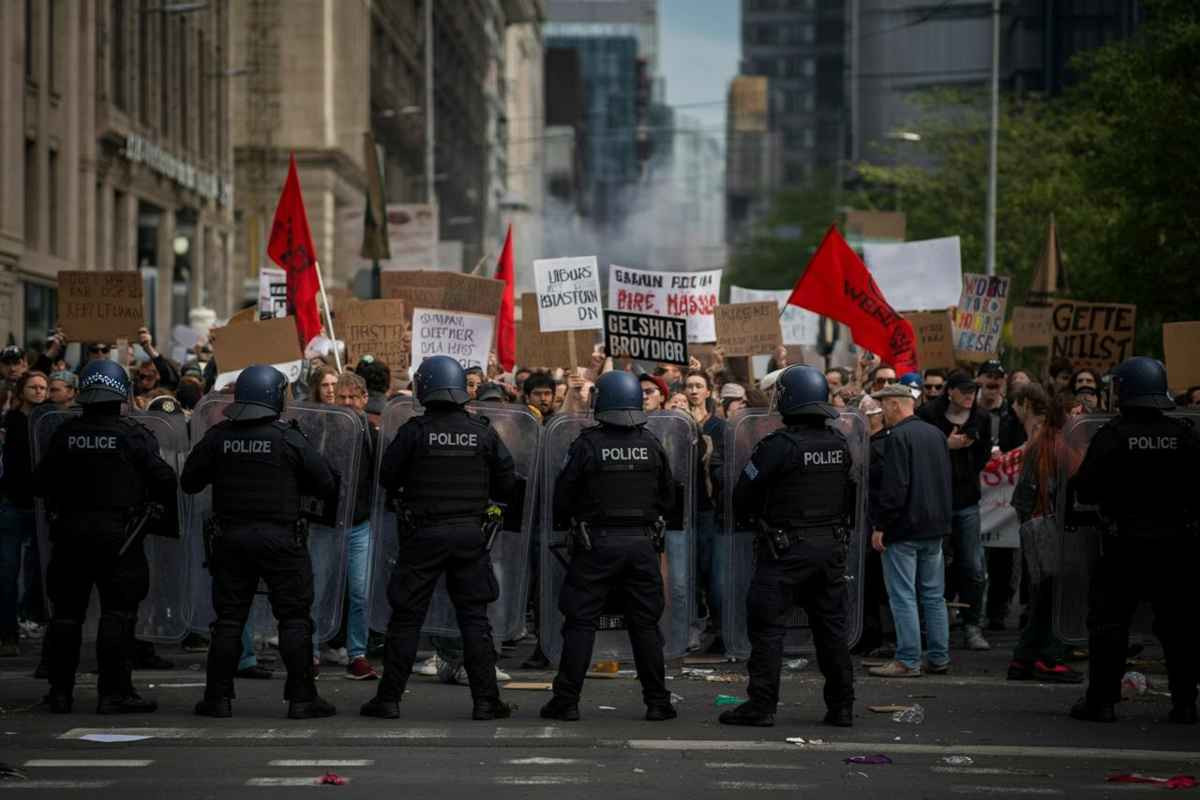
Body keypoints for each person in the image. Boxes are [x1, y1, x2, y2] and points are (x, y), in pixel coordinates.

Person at [361, 356, 516, 721]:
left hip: (423, 534)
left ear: (424, 388)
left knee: (407, 619)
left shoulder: (415, 432)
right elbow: (508, 481)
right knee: (474, 620)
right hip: (468, 535)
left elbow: (387, 477)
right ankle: (486, 701)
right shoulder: (482, 431)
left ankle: (389, 700)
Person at [182, 365, 340, 719]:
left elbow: (189, 481)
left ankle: (217, 698)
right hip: (281, 540)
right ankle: (302, 698)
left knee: (229, 619)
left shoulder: (220, 436)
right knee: (295, 618)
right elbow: (326, 484)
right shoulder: (288, 438)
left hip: (231, 539)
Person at [34, 361, 177, 713]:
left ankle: (60, 692)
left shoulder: (65, 434)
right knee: (119, 614)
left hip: (70, 538)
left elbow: (39, 483)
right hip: (119, 540)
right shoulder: (133, 435)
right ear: (121, 394)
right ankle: (114, 692)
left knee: (66, 615)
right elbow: (164, 479)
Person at [720, 366, 856, 727]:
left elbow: (743, 496)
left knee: (768, 629)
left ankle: (762, 706)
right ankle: (842, 706)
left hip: (785, 552)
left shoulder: (778, 447)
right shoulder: (839, 444)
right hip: (829, 549)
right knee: (831, 631)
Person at [1067, 357, 1200, 725]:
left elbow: (1086, 487)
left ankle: (1102, 702)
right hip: (1177, 546)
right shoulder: (1184, 434)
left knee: (1109, 624)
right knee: (1180, 628)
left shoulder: (1113, 435)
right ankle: (1186, 704)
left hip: (1124, 546)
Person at [541, 370, 676, 723]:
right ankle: (658, 702)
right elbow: (668, 497)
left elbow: (564, 495)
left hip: (596, 545)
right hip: (642, 545)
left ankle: (566, 701)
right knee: (645, 624)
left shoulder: (586, 445)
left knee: (581, 622)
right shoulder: (651, 444)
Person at [868, 383, 953, 678]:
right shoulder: (935, 434)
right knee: (933, 595)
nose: (883, 412)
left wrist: (880, 526)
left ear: (894, 404)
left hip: (904, 529)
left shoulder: (898, 437)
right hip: (934, 527)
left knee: (903, 595)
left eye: (884, 405)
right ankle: (939, 657)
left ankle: (907, 660)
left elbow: (894, 488)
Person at [1007, 384, 1083, 684]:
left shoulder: (1049, 442)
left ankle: (1024, 659)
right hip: (1055, 532)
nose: (1079, 417)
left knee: (1044, 600)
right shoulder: (1058, 446)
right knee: (1057, 598)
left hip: (1044, 529)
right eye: (1073, 413)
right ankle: (1047, 659)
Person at [918, 369, 993, 651]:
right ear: (950, 391)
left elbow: (983, 455)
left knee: (973, 565)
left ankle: (973, 624)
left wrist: (967, 456)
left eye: (973, 392)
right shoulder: (928, 414)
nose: (970, 397)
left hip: (966, 501)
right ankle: (932, 626)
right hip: (936, 501)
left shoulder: (982, 417)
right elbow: (922, 450)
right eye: (964, 391)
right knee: (933, 563)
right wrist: (945, 446)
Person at [332, 372, 379, 680]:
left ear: (364, 399)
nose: (347, 403)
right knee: (320, 589)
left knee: (360, 593)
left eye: (353, 397)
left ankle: (357, 653)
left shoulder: (373, 436)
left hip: (360, 524)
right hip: (326, 525)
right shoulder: (320, 430)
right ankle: (310, 651)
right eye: (341, 397)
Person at [0, 371, 49, 656]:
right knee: (8, 571)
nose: (40, 391)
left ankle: (36, 620)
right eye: (33, 387)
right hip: (13, 504)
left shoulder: (48, 421)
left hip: (39, 505)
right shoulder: (13, 421)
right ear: (22, 391)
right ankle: (8, 633)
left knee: (39, 572)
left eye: (43, 387)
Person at [854, 393, 889, 656]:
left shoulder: (885, 444)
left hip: (876, 520)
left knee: (877, 581)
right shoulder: (859, 443)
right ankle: (868, 633)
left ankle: (878, 635)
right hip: (862, 519)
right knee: (865, 580)